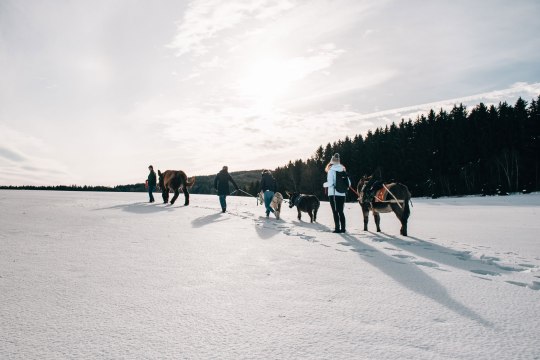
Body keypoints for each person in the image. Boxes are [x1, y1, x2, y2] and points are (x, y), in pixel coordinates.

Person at [323, 153, 350, 233]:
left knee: (335, 211)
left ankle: (337, 228)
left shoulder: (331, 171)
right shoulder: (343, 170)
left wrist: (324, 184)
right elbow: (349, 183)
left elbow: (330, 183)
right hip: (342, 194)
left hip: (333, 194)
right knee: (341, 211)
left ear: (332, 162)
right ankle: (343, 229)